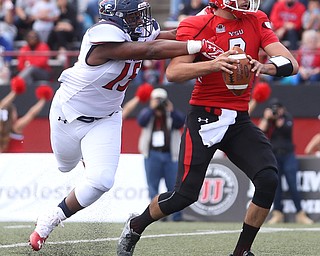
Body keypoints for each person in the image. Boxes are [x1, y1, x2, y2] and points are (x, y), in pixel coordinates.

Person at [27, 0, 222, 251]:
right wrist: (198, 45)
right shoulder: (101, 37)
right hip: (68, 113)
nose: (139, 20)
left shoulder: (135, 31)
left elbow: (173, 35)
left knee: (101, 181)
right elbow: (149, 51)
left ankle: (50, 220)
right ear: (116, 18)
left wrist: (208, 16)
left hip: (106, 116)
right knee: (65, 166)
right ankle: (85, 157)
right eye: (132, 16)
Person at [117, 0, 299, 255]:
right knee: (183, 195)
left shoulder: (256, 18)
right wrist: (214, 64)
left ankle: (241, 252)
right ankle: (136, 225)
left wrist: (266, 67)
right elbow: (174, 72)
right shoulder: (198, 23)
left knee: (268, 178)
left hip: (238, 119)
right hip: (205, 117)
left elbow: (291, 63)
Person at [258, 99, 314, 225]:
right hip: (274, 155)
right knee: (275, 186)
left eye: (278, 108)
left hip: (288, 155)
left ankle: (300, 213)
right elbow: (260, 130)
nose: (276, 111)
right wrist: (267, 119)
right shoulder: (268, 120)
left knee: (293, 184)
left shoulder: (287, 118)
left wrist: (277, 119)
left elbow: (284, 129)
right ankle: (277, 213)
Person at [137, 88, 185, 222]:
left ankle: (177, 216)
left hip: (171, 155)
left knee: (174, 187)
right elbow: (141, 121)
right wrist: (152, 109)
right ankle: (157, 216)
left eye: (161, 100)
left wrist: (170, 109)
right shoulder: (148, 114)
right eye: (156, 99)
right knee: (153, 187)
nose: (159, 103)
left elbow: (180, 122)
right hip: (152, 155)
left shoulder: (171, 115)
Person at [0, 78, 53, 153]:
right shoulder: (16, 127)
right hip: (18, 161)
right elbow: (31, 113)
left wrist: (14, 92)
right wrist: (43, 99)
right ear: (11, 114)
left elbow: (2, 106)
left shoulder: (1, 129)